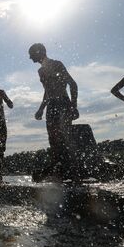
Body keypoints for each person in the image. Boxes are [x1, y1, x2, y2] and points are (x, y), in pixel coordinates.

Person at [29, 43, 78, 180]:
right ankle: (59, 169)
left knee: (66, 138)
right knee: (53, 140)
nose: (30, 58)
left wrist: (73, 106)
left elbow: (72, 84)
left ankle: (74, 171)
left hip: (63, 103)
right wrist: (41, 108)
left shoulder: (57, 64)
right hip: (51, 106)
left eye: (31, 54)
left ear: (40, 52)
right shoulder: (40, 71)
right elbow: (48, 91)